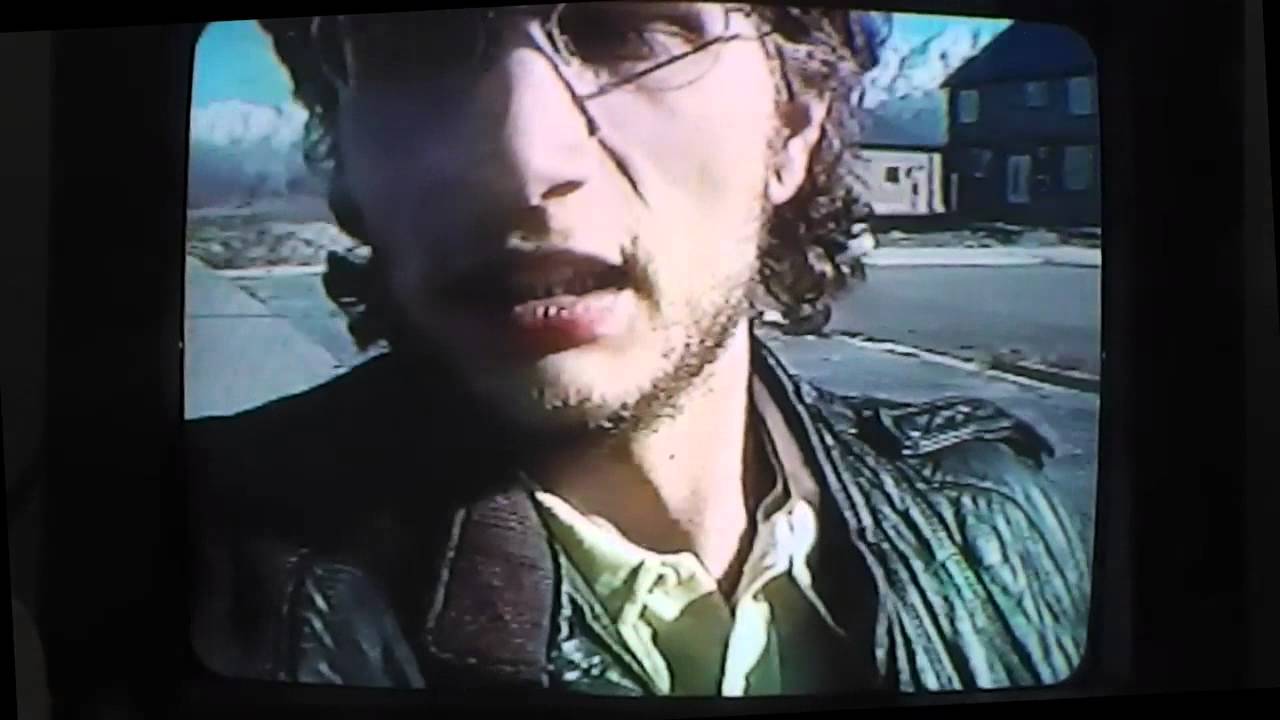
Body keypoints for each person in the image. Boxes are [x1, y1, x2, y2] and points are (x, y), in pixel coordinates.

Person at [188, 3, 1090, 697]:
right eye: (413, 42)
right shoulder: (188, 556)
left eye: (626, 31)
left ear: (792, 127)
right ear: (344, 141)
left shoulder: (993, 514)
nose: (522, 160)